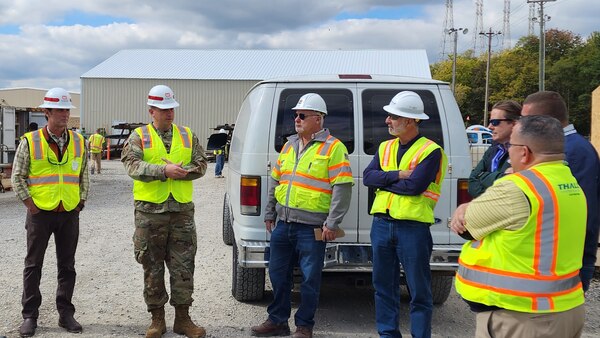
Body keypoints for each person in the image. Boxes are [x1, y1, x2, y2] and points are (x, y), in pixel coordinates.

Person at [451, 115, 586, 338]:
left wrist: (464, 207)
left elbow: (466, 226)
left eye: (509, 145)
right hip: (565, 307)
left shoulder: (516, 187)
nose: (507, 151)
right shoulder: (569, 183)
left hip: (522, 318)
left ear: (524, 152)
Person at [251, 93, 353, 338]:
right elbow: (277, 180)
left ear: (318, 119)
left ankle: (304, 326)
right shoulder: (289, 145)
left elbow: (342, 187)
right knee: (277, 273)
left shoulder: (334, 148)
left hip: (312, 228)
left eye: (302, 115)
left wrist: (332, 222)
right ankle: (277, 321)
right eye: (296, 114)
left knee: (309, 279)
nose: (296, 118)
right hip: (283, 225)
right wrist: (268, 212)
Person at [121, 85, 208, 338]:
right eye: (163, 109)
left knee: (184, 266)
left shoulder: (187, 134)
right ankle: (157, 320)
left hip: (181, 212)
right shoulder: (139, 136)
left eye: (171, 109)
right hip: (150, 214)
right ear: (152, 111)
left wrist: (185, 172)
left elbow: (202, 163)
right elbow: (132, 165)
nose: (169, 113)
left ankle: (183, 319)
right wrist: (163, 172)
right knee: (152, 266)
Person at [363, 91, 448, 338]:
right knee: (382, 287)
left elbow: (415, 188)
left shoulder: (431, 151)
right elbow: (368, 178)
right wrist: (397, 175)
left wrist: (383, 181)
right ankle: (388, 334)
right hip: (381, 224)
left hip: (412, 228)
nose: (387, 121)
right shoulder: (385, 147)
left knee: (419, 291)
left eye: (393, 116)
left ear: (410, 120)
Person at [11, 88, 88, 337]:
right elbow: (17, 176)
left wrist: (80, 201)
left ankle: (66, 314)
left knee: (67, 265)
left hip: (68, 212)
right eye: (60, 110)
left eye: (67, 110)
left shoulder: (78, 141)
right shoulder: (30, 141)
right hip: (40, 213)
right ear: (47, 112)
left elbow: (83, 175)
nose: (65, 114)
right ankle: (30, 316)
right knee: (33, 265)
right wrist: (30, 205)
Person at [522, 91, 600, 293]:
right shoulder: (567, 147)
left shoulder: (573, 151)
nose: (520, 125)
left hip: (566, 257)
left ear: (547, 122)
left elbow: (581, 209)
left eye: (526, 119)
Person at [468, 100, 521, 198]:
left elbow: (510, 187)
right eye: (490, 122)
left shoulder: (523, 153)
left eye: (495, 122)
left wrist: (482, 176)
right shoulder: (493, 149)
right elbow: (472, 180)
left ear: (514, 124)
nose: (489, 127)